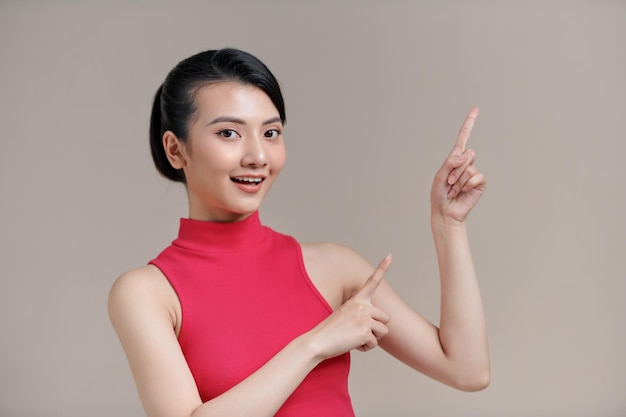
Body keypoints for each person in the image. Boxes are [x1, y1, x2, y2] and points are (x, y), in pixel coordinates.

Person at [108, 47, 490, 417]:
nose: (257, 156)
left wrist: (448, 225)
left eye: (271, 133)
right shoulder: (146, 292)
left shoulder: (335, 267)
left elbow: (467, 370)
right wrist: (316, 343)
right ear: (176, 150)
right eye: (229, 133)